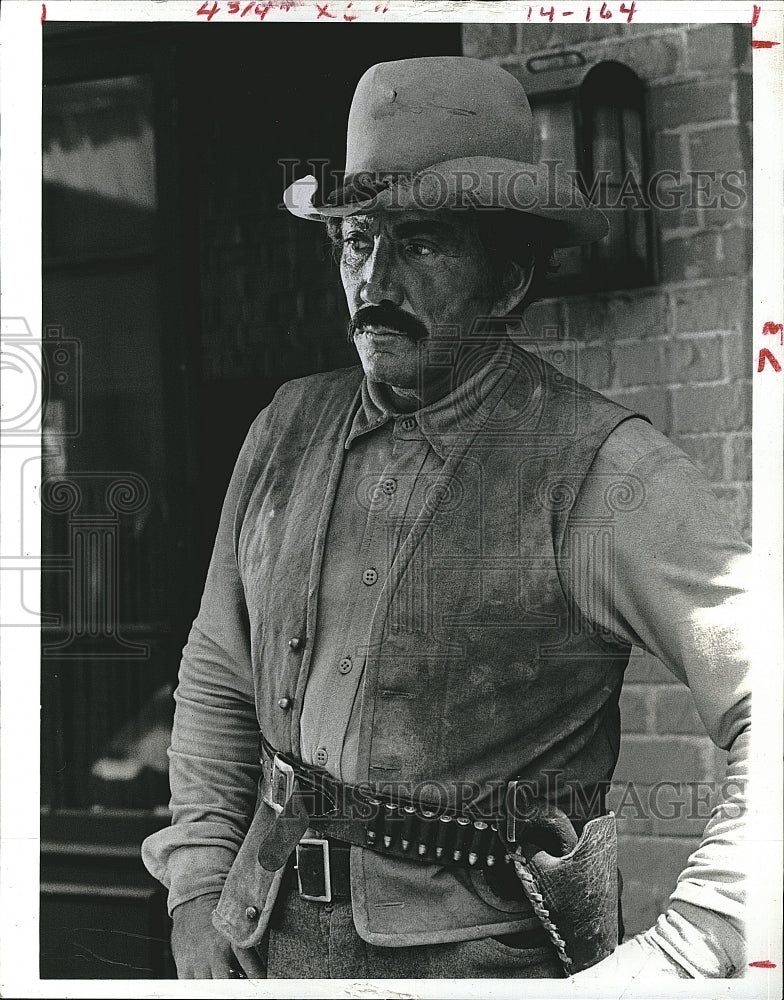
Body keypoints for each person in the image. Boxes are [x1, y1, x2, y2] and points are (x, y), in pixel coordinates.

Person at [142, 56, 750, 982]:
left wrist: (688, 950)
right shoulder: (284, 430)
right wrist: (194, 888)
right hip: (258, 943)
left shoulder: (602, 471)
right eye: (356, 240)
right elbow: (219, 673)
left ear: (509, 279)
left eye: (421, 241)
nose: (375, 276)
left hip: (482, 961)